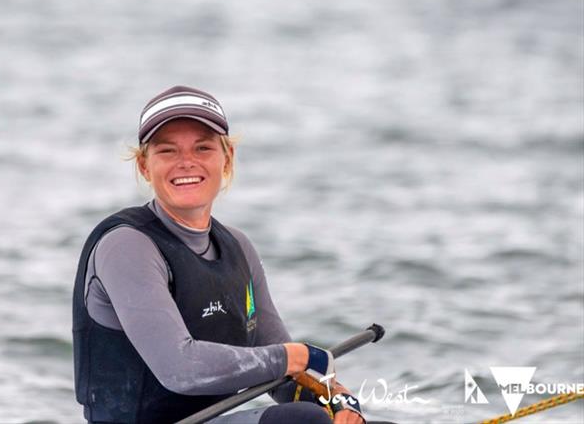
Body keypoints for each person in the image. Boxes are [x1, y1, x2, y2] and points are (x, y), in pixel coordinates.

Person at [73, 85, 376, 424]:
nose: (186, 162)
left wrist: (338, 399)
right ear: (144, 166)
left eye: (202, 148)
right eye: (167, 151)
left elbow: (281, 376)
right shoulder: (126, 246)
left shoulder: (239, 247)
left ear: (227, 158)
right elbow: (180, 369)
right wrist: (297, 357)